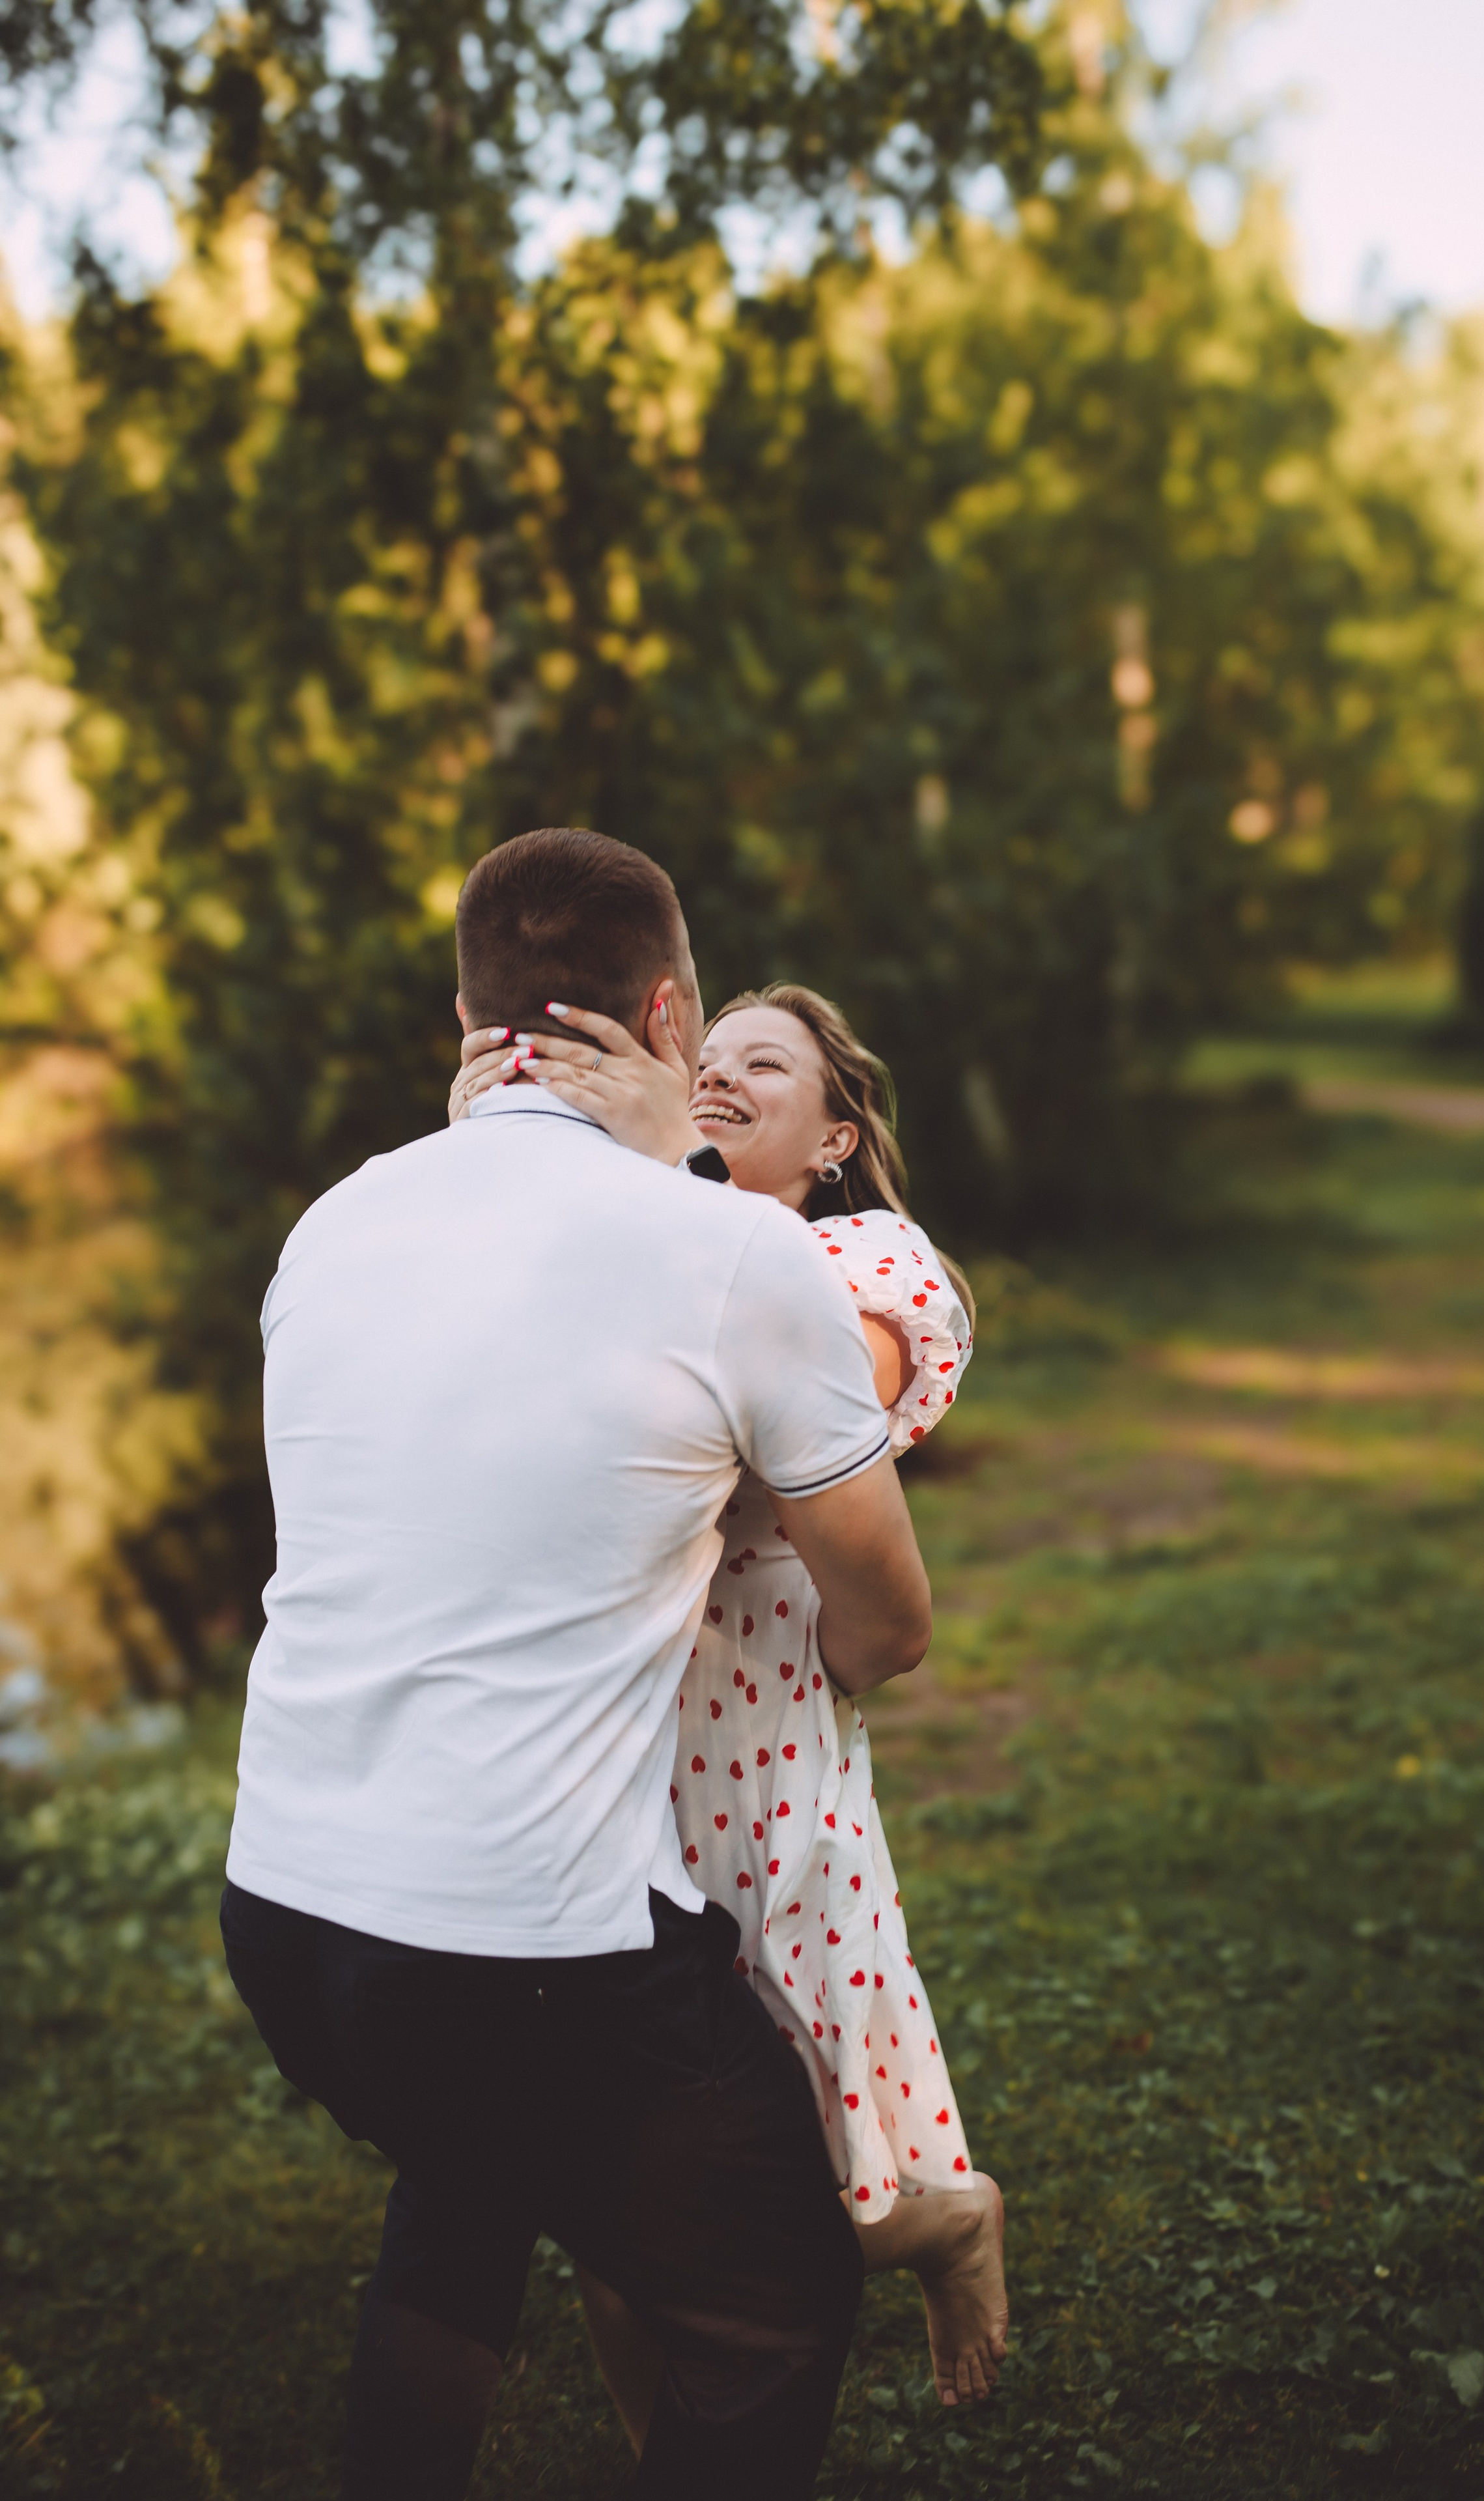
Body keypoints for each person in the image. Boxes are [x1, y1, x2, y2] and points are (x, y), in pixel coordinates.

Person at [219, 827, 935, 2501]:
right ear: (670, 1013)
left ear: (465, 1017)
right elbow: (889, 1624)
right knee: (770, 2292)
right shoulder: (735, 1251)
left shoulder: (333, 1222)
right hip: (523, 1946)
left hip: (285, 1915)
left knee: (467, 2180)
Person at [447, 980, 1009, 2424]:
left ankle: (946, 2224)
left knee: (819, 2143)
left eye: (765, 1065)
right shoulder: (638, 1247)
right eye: (708, 1054)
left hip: (757, 1756)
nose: (717, 1075)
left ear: (832, 1137)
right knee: (616, 2166)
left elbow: (781, 1451)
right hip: (607, 1747)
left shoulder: (869, 1263)